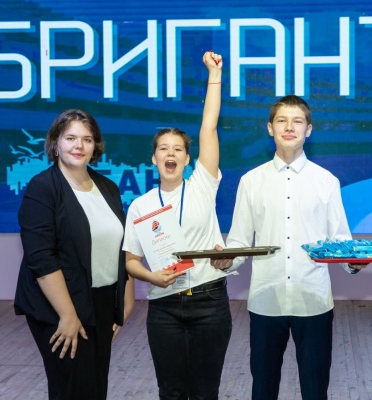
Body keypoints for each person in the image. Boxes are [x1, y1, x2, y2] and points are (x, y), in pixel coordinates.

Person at [216, 95, 367, 400]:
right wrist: (228, 260)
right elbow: (240, 241)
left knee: (315, 390)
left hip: (313, 301)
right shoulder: (250, 181)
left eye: (297, 121)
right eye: (282, 120)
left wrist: (353, 261)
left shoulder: (326, 181)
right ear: (270, 128)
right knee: (263, 389)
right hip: (265, 300)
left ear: (308, 130)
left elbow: (340, 239)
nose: (289, 127)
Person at [123, 51, 232, 400]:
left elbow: (209, 126)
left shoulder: (203, 184)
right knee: (170, 391)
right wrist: (151, 277)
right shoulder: (140, 205)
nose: (170, 154)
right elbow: (130, 261)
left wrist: (214, 75)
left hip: (209, 300)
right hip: (164, 306)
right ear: (153, 157)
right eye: (163, 149)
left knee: (205, 392)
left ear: (187, 158)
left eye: (178, 149)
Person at [14, 109, 135, 400]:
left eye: (87, 139)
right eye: (70, 138)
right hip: (58, 306)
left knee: (94, 388)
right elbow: (41, 259)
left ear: (95, 146)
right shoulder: (43, 188)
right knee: (72, 390)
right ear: (55, 143)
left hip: (101, 303)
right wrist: (67, 315)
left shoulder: (108, 187)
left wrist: (123, 303)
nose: (79, 145)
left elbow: (122, 247)